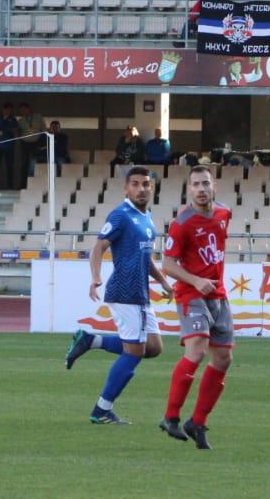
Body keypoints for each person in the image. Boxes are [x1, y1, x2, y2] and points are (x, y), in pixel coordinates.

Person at [62, 165, 174, 426]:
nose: (141, 188)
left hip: (141, 293)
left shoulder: (147, 218)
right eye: (135, 184)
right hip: (124, 291)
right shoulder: (121, 215)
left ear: (152, 187)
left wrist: (163, 283)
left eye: (145, 184)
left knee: (154, 348)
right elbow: (99, 246)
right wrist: (95, 276)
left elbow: (146, 259)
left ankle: (91, 340)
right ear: (126, 188)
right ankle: (102, 409)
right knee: (134, 352)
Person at [157, 164, 233, 450]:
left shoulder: (224, 214)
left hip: (218, 294)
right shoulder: (182, 223)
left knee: (223, 359)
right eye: (196, 185)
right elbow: (167, 264)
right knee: (198, 349)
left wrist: (209, 281)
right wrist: (196, 280)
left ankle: (197, 422)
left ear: (214, 186)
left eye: (205, 183)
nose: (201, 189)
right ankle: (171, 416)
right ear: (189, 189)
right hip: (190, 293)